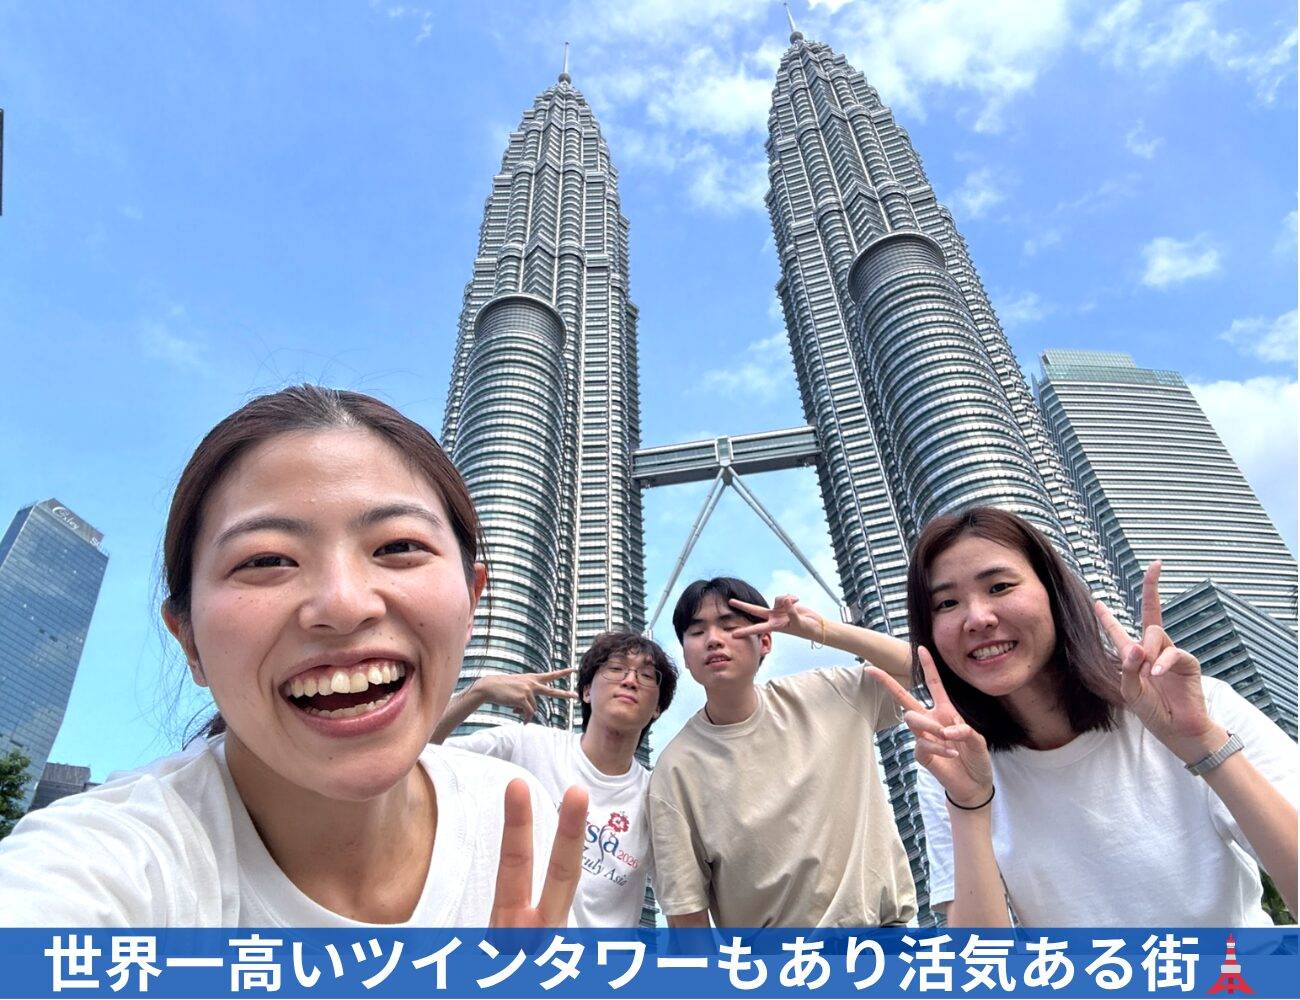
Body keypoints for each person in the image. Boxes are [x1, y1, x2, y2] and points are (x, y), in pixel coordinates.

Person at [0, 385, 585, 926]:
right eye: (265, 560)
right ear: (189, 640)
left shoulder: (515, 817)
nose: (344, 604)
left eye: (398, 546)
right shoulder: (104, 867)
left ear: (472, 598)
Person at [866, 505, 1298, 926]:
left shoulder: (1193, 706)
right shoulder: (951, 763)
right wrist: (969, 805)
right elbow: (982, 965)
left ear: (1054, 593)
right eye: (946, 603)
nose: (977, 618)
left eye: (999, 587)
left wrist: (1202, 744)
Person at [646, 576, 918, 927]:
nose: (713, 639)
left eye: (730, 626)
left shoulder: (829, 693)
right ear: (685, 654)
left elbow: (916, 669)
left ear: (765, 640)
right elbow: (687, 914)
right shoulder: (675, 771)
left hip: (884, 940)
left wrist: (818, 630)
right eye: (697, 632)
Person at [432, 631, 678, 927]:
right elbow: (420, 755)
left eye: (647, 675)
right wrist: (479, 691)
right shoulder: (526, 745)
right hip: (507, 946)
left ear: (658, 708)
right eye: (615, 668)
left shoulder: (656, 798)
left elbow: (679, 896)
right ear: (586, 692)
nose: (630, 680)